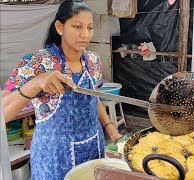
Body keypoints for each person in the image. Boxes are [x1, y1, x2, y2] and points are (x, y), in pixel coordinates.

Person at [1, 1, 123, 179]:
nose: (85, 35)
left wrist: (112, 130)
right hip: (53, 158)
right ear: (60, 27)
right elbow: (3, 111)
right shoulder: (37, 62)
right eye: (76, 26)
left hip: (92, 149)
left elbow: (93, 98)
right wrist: (36, 82)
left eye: (89, 28)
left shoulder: (93, 61)